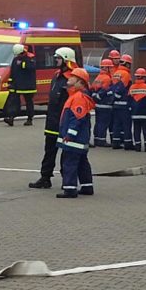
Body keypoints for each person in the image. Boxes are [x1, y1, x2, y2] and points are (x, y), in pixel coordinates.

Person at [29, 47, 77, 190]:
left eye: (58, 58)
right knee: (49, 150)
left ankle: (67, 180)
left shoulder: (72, 78)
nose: (55, 60)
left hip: (64, 121)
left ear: (66, 59)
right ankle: (45, 178)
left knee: (66, 152)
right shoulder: (56, 75)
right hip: (52, 120)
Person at [56, 67, 96, 198]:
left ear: (80, 83)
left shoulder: (78, 98)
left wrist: (69, 135)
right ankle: (87, 186)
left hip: (74, 141)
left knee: (70, 163)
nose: (69, 79)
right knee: (82, 163)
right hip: (79, 140)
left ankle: (70, 189)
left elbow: (76, 119)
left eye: (73, 78)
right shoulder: (76, 96)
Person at [4, 43, 36, 126]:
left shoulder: (30, 58)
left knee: (29, 102)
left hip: (28, 85)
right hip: (17, 85)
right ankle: (11, 118)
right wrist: (10, 82)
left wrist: (23, 62)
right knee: (14, 102)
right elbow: (13, 72)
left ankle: (30, 119)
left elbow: (30, 68)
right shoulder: (16, 59)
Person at [128, 68, 146, 152]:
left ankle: (138, 146)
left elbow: (129, 100)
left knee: (136, 130)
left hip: (135, 113)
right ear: (144, 77)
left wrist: (130, 110)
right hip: (145, 113)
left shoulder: (132, 87)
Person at [90, 58, 114, 147]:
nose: (111, 69)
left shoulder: (98, 77)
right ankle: (101, 140)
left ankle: (97, 139)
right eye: (110, 68)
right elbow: (106, 91)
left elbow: (92, 89)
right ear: (106, 68)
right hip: (105, 104)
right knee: (103, 123)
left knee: (98, 122)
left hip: (98, 105)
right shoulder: (107, 78)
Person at [110, 69, 131, 150]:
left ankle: (115, 143)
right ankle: (127, 143)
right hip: (124, 106)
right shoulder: (125, 75)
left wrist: (113, 100)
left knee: (116, 125)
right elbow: (121, 91)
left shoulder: (116, 74)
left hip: (116, 106)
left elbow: (112, 89)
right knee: (126, 125)